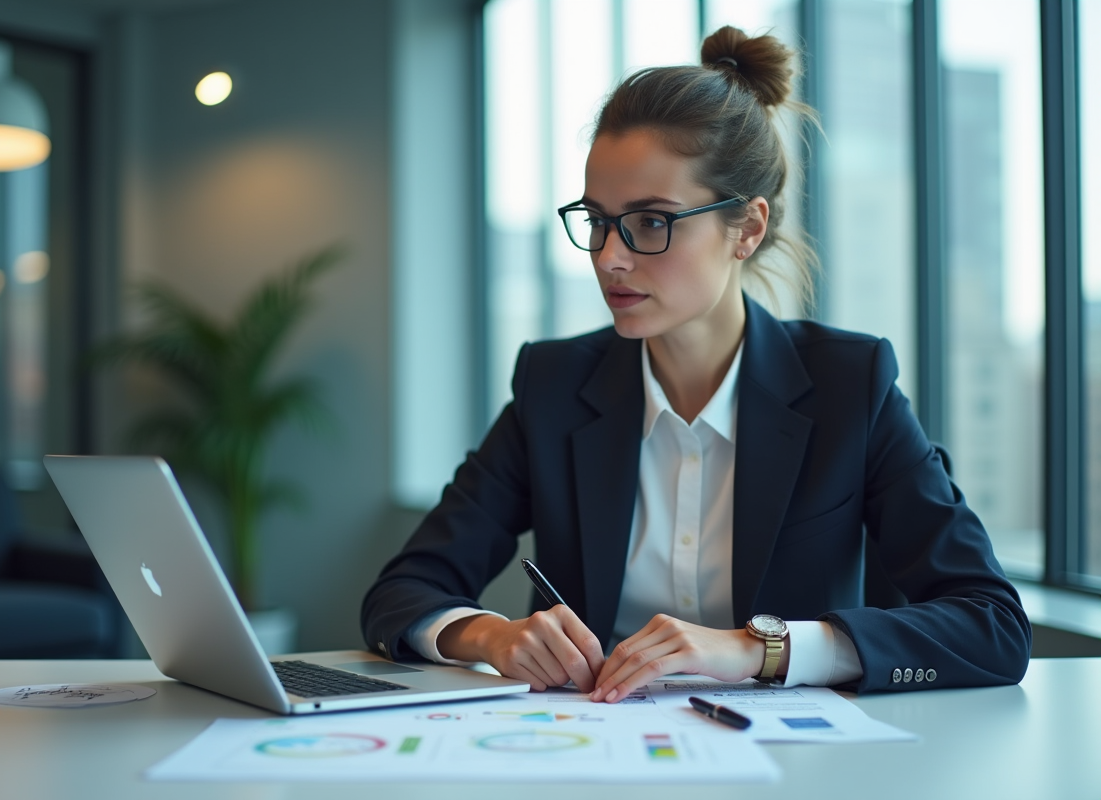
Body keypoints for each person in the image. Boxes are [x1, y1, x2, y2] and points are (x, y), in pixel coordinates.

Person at [361, 25, 1031, 701]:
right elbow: (403, 591)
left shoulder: (848, 387)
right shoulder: (555, 386)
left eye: (651, 222)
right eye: (596, 220)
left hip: (800, 763)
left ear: (747, 229)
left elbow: (993, 626)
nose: (608, 257)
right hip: (598, 750)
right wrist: (490, 636)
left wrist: (755, 650)